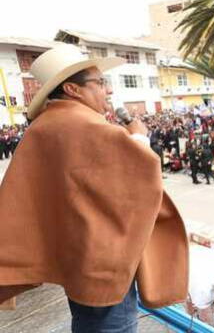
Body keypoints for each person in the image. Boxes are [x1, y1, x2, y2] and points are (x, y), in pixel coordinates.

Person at [0, 45, 187, 332]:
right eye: (100, 83)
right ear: (73, 90)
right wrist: (138, 139)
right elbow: (137, 181)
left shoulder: (46, 126)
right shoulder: (87, 125)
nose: (108, 91)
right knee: (112, 324)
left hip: (79, 260)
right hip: (103, 264)